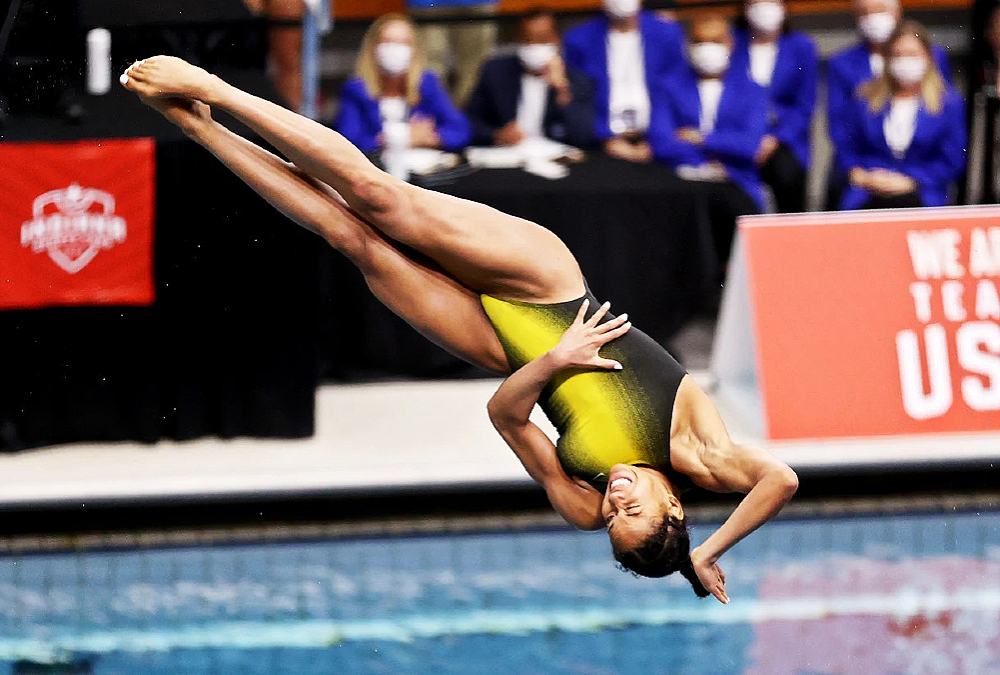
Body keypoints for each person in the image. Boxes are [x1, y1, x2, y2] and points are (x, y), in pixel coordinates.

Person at [120, 55, 799, 602]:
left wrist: (553, 362)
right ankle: (214, 87)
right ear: (674, 507)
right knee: (381, 198)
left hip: (507, 347)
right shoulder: (695, 453)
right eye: (635, 509)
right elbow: (782, 480)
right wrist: (707, 553)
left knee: (352, 239)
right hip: (545, 283)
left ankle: (201, 125)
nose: (617, 500)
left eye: (615, 519)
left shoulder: (583, 504)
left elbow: (506, 416)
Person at [649, 15, 767, 268]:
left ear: (730, 44)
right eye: (699, 41)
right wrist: (707, 159)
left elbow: (749, 146)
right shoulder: (669, 87)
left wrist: (700, 138)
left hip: (734, 179)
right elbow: (661, 143)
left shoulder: (752, 90)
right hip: (682, 179)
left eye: (715, 41)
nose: (707, 49)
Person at [826, 0, 951, 202]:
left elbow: (949, 152)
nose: (874, 18)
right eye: (898, 56)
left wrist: (910, 180)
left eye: (912, 55)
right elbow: (842, 132)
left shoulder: (947, 98)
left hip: (920, 187)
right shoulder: (864, 94)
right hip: (868, 181)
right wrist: (861, 175)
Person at [563, 0, 685, 163]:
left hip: (658, 140)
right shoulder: (578, 39)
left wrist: (658, 141)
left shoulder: (667, 33)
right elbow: (580, 98)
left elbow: (673, 90)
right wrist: (606, 139)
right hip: (602, 143)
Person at [333, 14, 471, 155]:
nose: (395, 49)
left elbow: (460, 130)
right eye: (388, 41)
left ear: (414, 49)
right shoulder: (355, 89)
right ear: (373, 47)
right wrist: (400, 138)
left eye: (403, 42)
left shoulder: (427, 83)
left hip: (422, 169)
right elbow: (348, 140)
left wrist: (433, 138)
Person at [731, 0, 817, 213]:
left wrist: (773, 140)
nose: (764, 6)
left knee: (787, 176)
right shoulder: (731, 43)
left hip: (781, 140)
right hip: (737, 136)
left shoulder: (801, 47)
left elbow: (805, 106)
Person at [464, 10, 594, 149]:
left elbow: (583, 136)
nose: (534, 46)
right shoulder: (496, 71)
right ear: (518, 40)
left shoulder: (576, 79)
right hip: (506, 155)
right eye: (528, 39)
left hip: (555, 158)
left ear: (556, 40)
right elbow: (470, 120)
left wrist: (562, 89)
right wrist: (497, 134)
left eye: (542, 39)